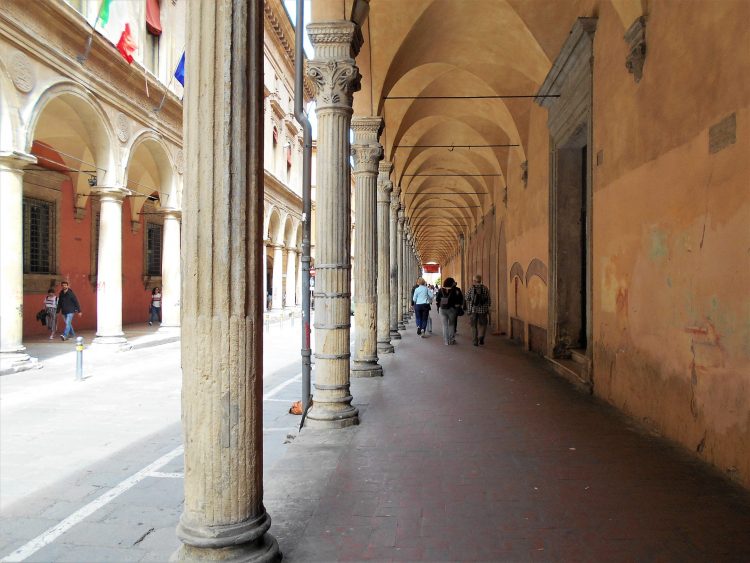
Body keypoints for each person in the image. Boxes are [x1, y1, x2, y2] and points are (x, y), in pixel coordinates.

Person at [465, 274, 492, 346]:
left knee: (473, 326)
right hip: (483, 310)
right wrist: (488, 307)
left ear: (474, 280)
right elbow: (489, 299)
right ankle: (481, 337)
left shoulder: (471, 288)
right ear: (480, 280)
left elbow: (466, 298)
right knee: (483, 324)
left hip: (473, 310)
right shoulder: (485, 288)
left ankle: (475, 341)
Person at [438, 277, 461, 345]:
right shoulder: (456, 290)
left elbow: (437, 299)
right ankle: (452, 340)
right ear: (452, 283)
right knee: (451, 324)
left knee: (444, 325)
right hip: (452, 309)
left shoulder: (441, 290)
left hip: (442, 309)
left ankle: (446, 341)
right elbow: (460, 299)